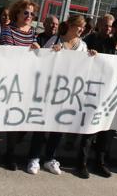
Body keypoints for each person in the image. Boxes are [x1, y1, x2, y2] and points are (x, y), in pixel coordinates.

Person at [27, 14, 96, 177]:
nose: (81, 29)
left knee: (58, 128)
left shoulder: (83, 46)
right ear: (70, 25)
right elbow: (41, 60)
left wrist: (92, 56)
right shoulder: (56, 40)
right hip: (50, 91)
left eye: (83, 26)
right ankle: (34, 157)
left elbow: (85, 68)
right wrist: (51, 52)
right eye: (79, 25)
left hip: (68, 94)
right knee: (42, 126)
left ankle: (50, 158)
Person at [76, 18, 117, 179]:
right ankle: (82, 163)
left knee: (107, 133)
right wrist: (92, 56)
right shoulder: (101, 46)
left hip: (112, 100)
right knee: (89, 132)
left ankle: (100, 163)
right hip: (95, 96)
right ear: (114, 29)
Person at [0, 0, 42, 173]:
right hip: (13, 82)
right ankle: (10, 154)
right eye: (26, 13)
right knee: (14, 119)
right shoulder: (8, 30)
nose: (29, 16)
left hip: (28, 82)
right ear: (17, 14)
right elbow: (9, 53)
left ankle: (11, 148)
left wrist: (38, 49)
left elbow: (36, 58)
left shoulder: (33, 32)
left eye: (32, 13)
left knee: (25, 120)